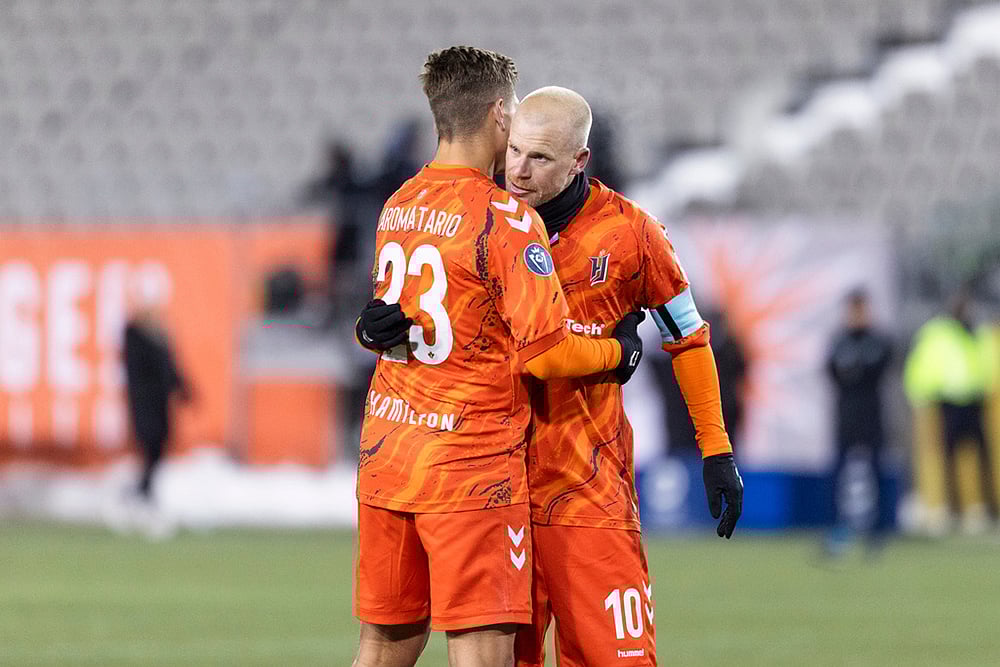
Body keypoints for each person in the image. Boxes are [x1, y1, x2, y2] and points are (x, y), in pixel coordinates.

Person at [359, 86, 743, 667]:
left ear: (579, 161)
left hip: (587, 492)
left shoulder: (632, 233)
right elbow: (425, 314)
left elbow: (688, 337)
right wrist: (376, 328)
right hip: (495, 492)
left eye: (539, 158)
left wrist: (715, 448)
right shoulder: (479, 218)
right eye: (512, 150)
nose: (517, 170)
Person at [351, 47, 645, 667]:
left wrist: (365, 332)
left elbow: (392, 325)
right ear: (497, 113)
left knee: (383, 645)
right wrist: (618, 350)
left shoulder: (398, 205)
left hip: (388, 457)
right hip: (470, 468)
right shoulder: (504, 219)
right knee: (483, 649)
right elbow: (548, 354)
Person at [904, 288, 999, 531]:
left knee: (976, 456)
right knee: (942, 457)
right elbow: (921, 368)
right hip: (944, 403)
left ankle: (977, 509)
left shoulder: (976, 332)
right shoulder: (938, 333)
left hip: (975, 402)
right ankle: (940, 508)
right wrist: (922, 398)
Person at [823, 289, 894, 554]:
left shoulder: (878, 340)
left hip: (871, 417)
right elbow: (834, 373)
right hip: (846, 418)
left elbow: (873, 370)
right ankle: (838, 531)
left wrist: (854, 369)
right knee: (838, 476)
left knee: (876, 474)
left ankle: (877, 534)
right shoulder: (839, 340)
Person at [122, 305, 191, 503]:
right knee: (149, 446)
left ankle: (145, 489)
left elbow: (170, 368)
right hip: (145, 403)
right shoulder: (137, 339)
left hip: (160, 404)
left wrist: (182, 389)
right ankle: (142, 490)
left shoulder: (159, 340)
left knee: (159, 447)